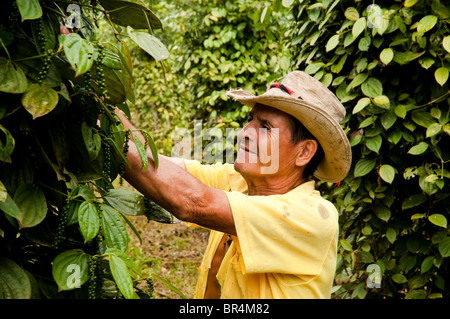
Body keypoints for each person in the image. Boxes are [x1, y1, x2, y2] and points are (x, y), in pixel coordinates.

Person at [116, 71, 352, 299]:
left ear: (304, 152)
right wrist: (104, 106)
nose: (244, 133)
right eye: (250, 120)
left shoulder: (311, 217)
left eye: (265, 127)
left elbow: (192, 201)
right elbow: (156, 163)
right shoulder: (239, 182)